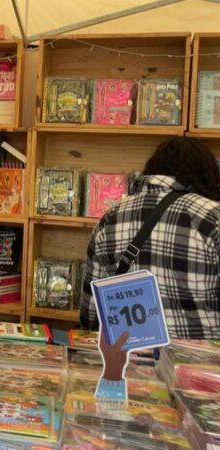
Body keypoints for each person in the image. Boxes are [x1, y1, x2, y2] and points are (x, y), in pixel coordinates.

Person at [80, 137, 220, 343]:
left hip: (129, 359)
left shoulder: (112, 216)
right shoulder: (212, 217)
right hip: (199, 366)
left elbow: (90, 313)